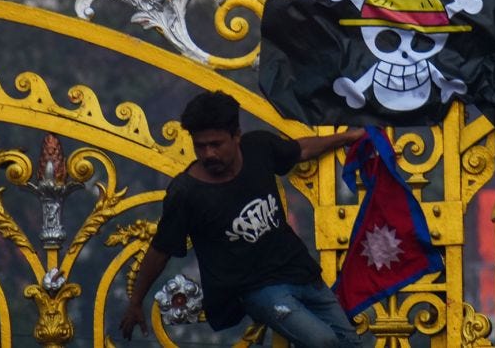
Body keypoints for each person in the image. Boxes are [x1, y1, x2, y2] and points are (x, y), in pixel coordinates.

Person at [119, 90, 364, 346]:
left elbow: (299, 150)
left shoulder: (259, 148)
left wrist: (347, 137)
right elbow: (161, 249)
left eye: (216, 144)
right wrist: (135, 302)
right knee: (323, 342)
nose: (208, 154)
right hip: (258, 290)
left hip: (301, 272)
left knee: (350, 342)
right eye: (200, 146)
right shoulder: (186, 192)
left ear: (236, 135)